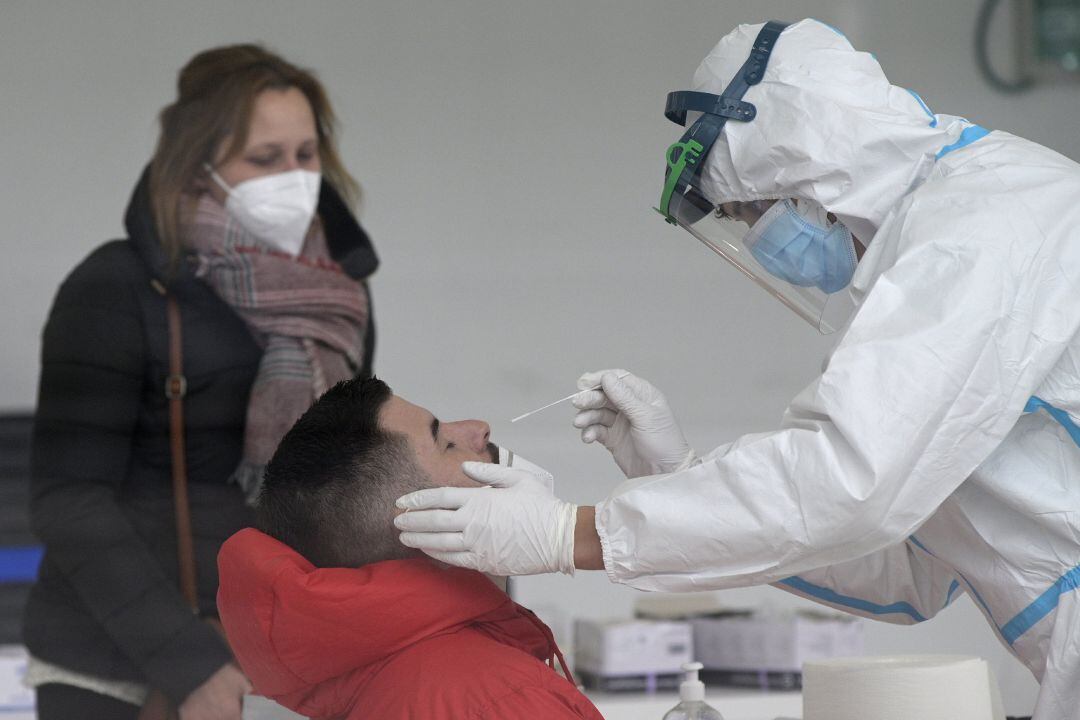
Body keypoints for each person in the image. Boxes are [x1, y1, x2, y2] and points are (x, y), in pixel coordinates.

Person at [393, 18, 1080, 720]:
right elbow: (906, 572)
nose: (759, 236)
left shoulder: (980, 229)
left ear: (811, 161)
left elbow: (849, 486)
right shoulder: (925, 256)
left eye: (752, 209)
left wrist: (567, 533)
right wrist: (681, 475)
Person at [24, 44, 378, 720]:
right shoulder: (115, 287)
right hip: (113, 669)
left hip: (274, 654)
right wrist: (188, 661)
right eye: (264, 158)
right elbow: (69, 500)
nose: (295, 178)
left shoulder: (339, 295)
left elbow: (341, 473)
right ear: (198, 164)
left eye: (306, 155)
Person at [216, 376, 603, 720]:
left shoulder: (371, 681)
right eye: (446, 443)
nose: (480, 429)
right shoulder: (502, 700)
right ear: (416, 522)